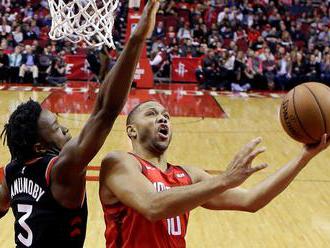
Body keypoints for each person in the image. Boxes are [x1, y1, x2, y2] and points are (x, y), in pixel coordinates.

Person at [0, 0, 159, 247]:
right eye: (55, 128)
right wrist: (136, 40)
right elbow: (105, 111)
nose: (65, 130)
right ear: (40, 147)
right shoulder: (61, 170)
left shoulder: (12, 172)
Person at [99, 100, 330, 248]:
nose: (162, 118)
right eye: (151, 114)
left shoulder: (187, 175)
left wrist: (303, 157)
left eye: (166, 116)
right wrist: (224, 179)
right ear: (132, 130)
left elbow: (252, 200)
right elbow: (152, 206)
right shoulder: (119, 162)